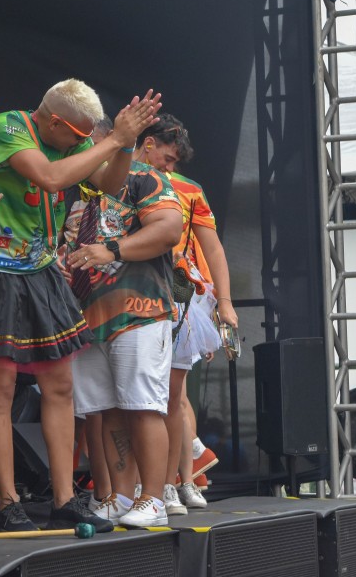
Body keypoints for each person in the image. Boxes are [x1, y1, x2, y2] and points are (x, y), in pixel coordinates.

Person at [0, 79, 158, 533]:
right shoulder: (10, 126)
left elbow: (107, 183)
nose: (84, 144)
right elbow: (48, 177)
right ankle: (8, 501)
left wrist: (123, 147)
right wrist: (113, 140)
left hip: (43, 269)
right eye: (78, 136)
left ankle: (65, 497)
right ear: (52, 121)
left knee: (61, 387)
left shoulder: (70, 144)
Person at [62, 128, 183, 528]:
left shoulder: (143, 176)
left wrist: (111, 249)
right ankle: (122, 495)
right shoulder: (72, 185)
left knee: (144, 406)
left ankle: (154, 498)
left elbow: (168, 229)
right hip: (89, 316)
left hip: (139, 308)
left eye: (89, 142)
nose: (84, 151)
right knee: (109, 410)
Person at [129, 115, 236, 514]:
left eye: (174, 163)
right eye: (168, 158)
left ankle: (175, 483)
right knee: (133, 402)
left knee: (172, 399)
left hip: (177, 301)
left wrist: (223, 302)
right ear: (149, 143)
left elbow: (214, 250)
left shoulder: (190, 190)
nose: (170, 168)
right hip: (126, 297)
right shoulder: (116, 177)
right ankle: (140, 487)